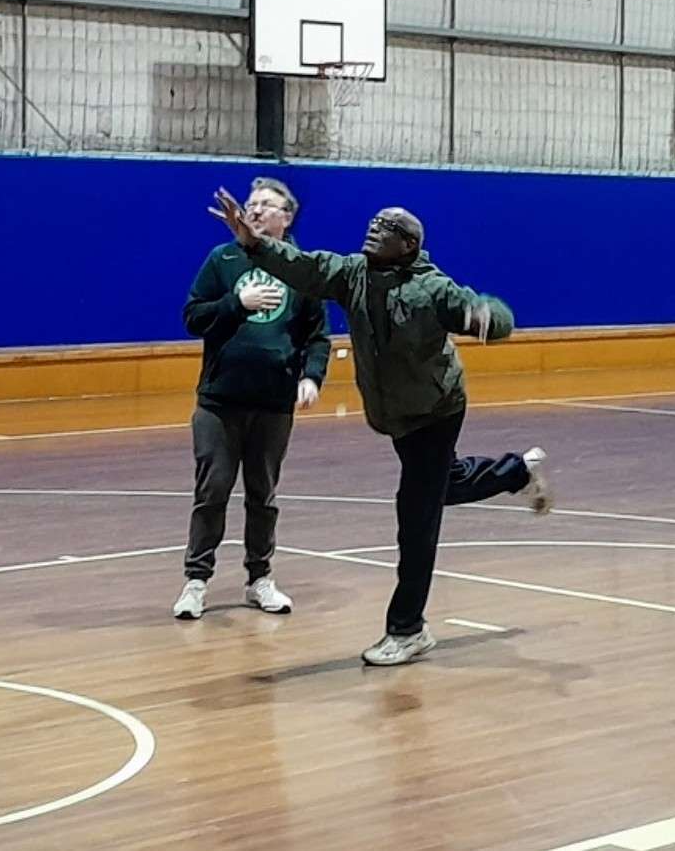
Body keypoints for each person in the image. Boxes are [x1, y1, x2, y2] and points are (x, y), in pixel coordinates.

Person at [209, 190, 553, 665]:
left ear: (408, 246)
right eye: (372, 223)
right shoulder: (353, 274)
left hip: (436, 409)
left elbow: (497, 318)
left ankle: (408, 629)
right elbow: (304, 267)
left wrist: (486, 317)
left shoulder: (432, 288)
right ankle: (518, 472)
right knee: (439, 485)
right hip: (396, 414)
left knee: (416, 516)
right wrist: (255, 244)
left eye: (385, 229)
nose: (373, 230)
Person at [173, 178, 331, 622]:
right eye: (251, 204)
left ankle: (260, 578)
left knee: (263, 494)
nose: (256, 211)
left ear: (288, 217)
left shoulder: (301, 268)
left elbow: (317, 336)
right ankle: (196, 581)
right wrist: (237, 304)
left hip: (274, 403)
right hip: (220, 401)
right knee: (213, 489)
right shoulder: (222, 259)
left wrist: (312, 377)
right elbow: (193, 317)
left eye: (267, 205)